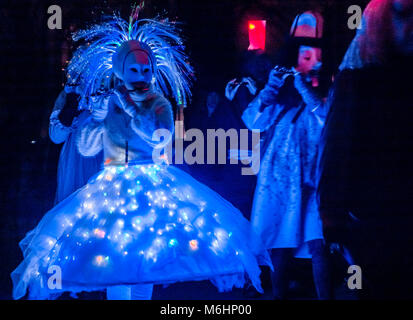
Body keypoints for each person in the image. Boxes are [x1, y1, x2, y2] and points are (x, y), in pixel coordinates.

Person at [11, 10, 271, 300]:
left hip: (151, 183)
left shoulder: (158, 102)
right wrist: (92, 120)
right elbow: (87, 147)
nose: (140, 76)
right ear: (120, 71)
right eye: (133, 70)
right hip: (111, 185)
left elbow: (160, 136)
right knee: (114, 262)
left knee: (146, 261)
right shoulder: (110, 103)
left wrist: (133, 109)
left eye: (145, 70)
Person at [317, 0, 413, 299]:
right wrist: (333, 217)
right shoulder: (358, 81)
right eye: (403, 15)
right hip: (379, 220)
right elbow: (338, 146)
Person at [242, 11, 332, 299]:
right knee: (279, 247)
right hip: (280, 183)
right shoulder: (280, 98)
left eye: (313, 53)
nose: (309, 60)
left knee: (318, 246)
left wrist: (304, 87)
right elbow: (252, 120)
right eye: (302, 54)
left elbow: (325, 118)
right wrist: (272, 87)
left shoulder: (327, 94)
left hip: (313, 183)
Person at [49, 84, 103, 204]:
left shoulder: (120, 92)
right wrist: (70, 105)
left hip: (107, 162)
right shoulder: (71, 92)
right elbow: (56, 136)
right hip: (76, 163)